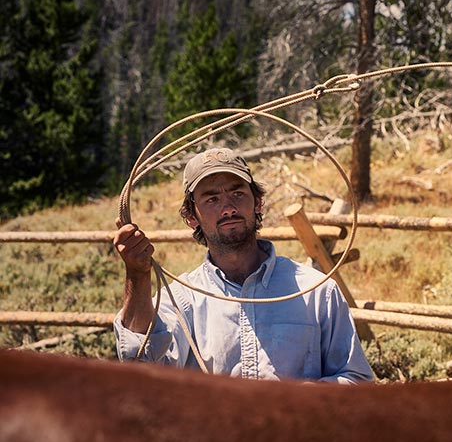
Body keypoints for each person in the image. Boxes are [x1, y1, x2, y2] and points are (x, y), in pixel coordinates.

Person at [112, 148, 375, 383]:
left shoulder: (316, 291)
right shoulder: (181, 300)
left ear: (257, 202)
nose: (228, 208)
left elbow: (357, 379)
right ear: (192, 217)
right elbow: (141, 365)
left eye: (237, 193)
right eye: (211, 199)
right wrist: (137, 274)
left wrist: (304, 399)